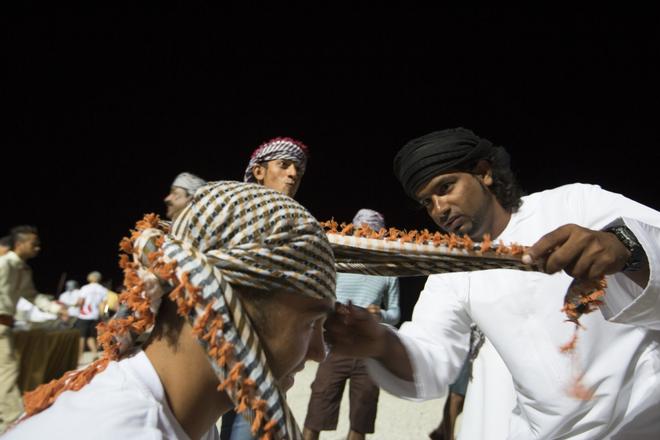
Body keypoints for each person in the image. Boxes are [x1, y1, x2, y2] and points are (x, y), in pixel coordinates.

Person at [325, 127, 660, 439]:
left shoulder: (573, 203)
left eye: (446, 187)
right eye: (427, 202)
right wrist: (381, 344)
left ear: (484, 172)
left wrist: (626, 249)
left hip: (644, 416)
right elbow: (431, 357)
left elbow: (649, 239)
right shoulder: (452, 271)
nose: (439, 209)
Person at [4, 181, 337, 440]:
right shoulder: (121, 430)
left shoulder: (186, 417)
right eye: (310, 323)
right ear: (220, 306)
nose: (320, 352)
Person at [222, 136, 311, 440]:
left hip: (268, 357)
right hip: (222, 342)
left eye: (297, 169)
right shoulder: (232, 212)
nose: (293, 174)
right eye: (284, 165)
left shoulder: (299, 225)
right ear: (259, 172)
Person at [303, 209, 400, 440]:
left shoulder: (388, 272)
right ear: (354, 232)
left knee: (361, 418)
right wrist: (332, 308)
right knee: (317, 410)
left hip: (369, 353)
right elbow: (320, 299)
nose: (365, 237)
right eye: (360, 231)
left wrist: (381, 314)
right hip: (335, 347)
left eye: (371, 232)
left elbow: (396, 313)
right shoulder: (339, 265)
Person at [0, 226, 61, 432]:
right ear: (19, 244)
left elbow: (31, 295)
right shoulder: (3, 264)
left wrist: (54, 308)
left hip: (6, 324)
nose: (38, 247)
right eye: (33, 243)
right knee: (7, 370)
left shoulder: (23, 269)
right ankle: (12, 422)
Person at [243, 137, 309, 198]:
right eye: (283, 164)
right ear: (259, 172)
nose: (294, 173)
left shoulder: (299, 210)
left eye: (298, 169)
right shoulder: (237, 203)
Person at [74, 271, 108, 361]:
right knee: (90, 336)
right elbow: (105, 304)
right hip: (95, 316)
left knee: (81, 337)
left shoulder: (85, 288)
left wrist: (75, 305)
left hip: (84, 316)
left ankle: (79, 357)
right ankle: (94, 354)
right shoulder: (103, 289)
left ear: (90, 278)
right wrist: (105, 313)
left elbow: (80, 302)